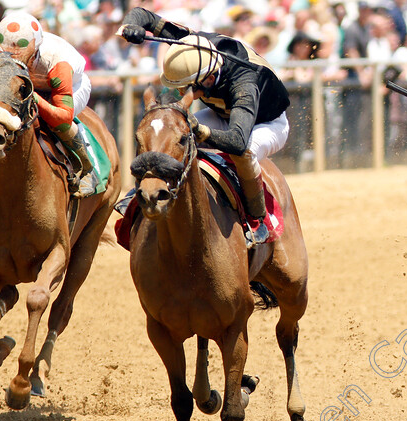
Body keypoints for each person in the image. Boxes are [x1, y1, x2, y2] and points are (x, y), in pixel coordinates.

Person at [118, 6, 291, 244]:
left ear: (209, 78)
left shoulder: (244, 85)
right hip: (225, 114)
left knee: (246, 153)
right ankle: (144, 190)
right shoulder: (193, 47)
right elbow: (145, 15)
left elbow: (238, 142)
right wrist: (131, 26)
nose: (181, 92)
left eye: (186, 86)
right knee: (176, 129)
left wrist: (201, 131)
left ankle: (256, 219)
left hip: (267, 123)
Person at [0, 12, 95, 194]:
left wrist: (33, 97)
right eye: (7, 56)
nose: (12, 61)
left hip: (72, 86)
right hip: (26, 83)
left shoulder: (59, 65)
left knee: (56, 123)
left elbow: (63, 116)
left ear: (34, 50)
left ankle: (87, 168)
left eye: (17, 57)